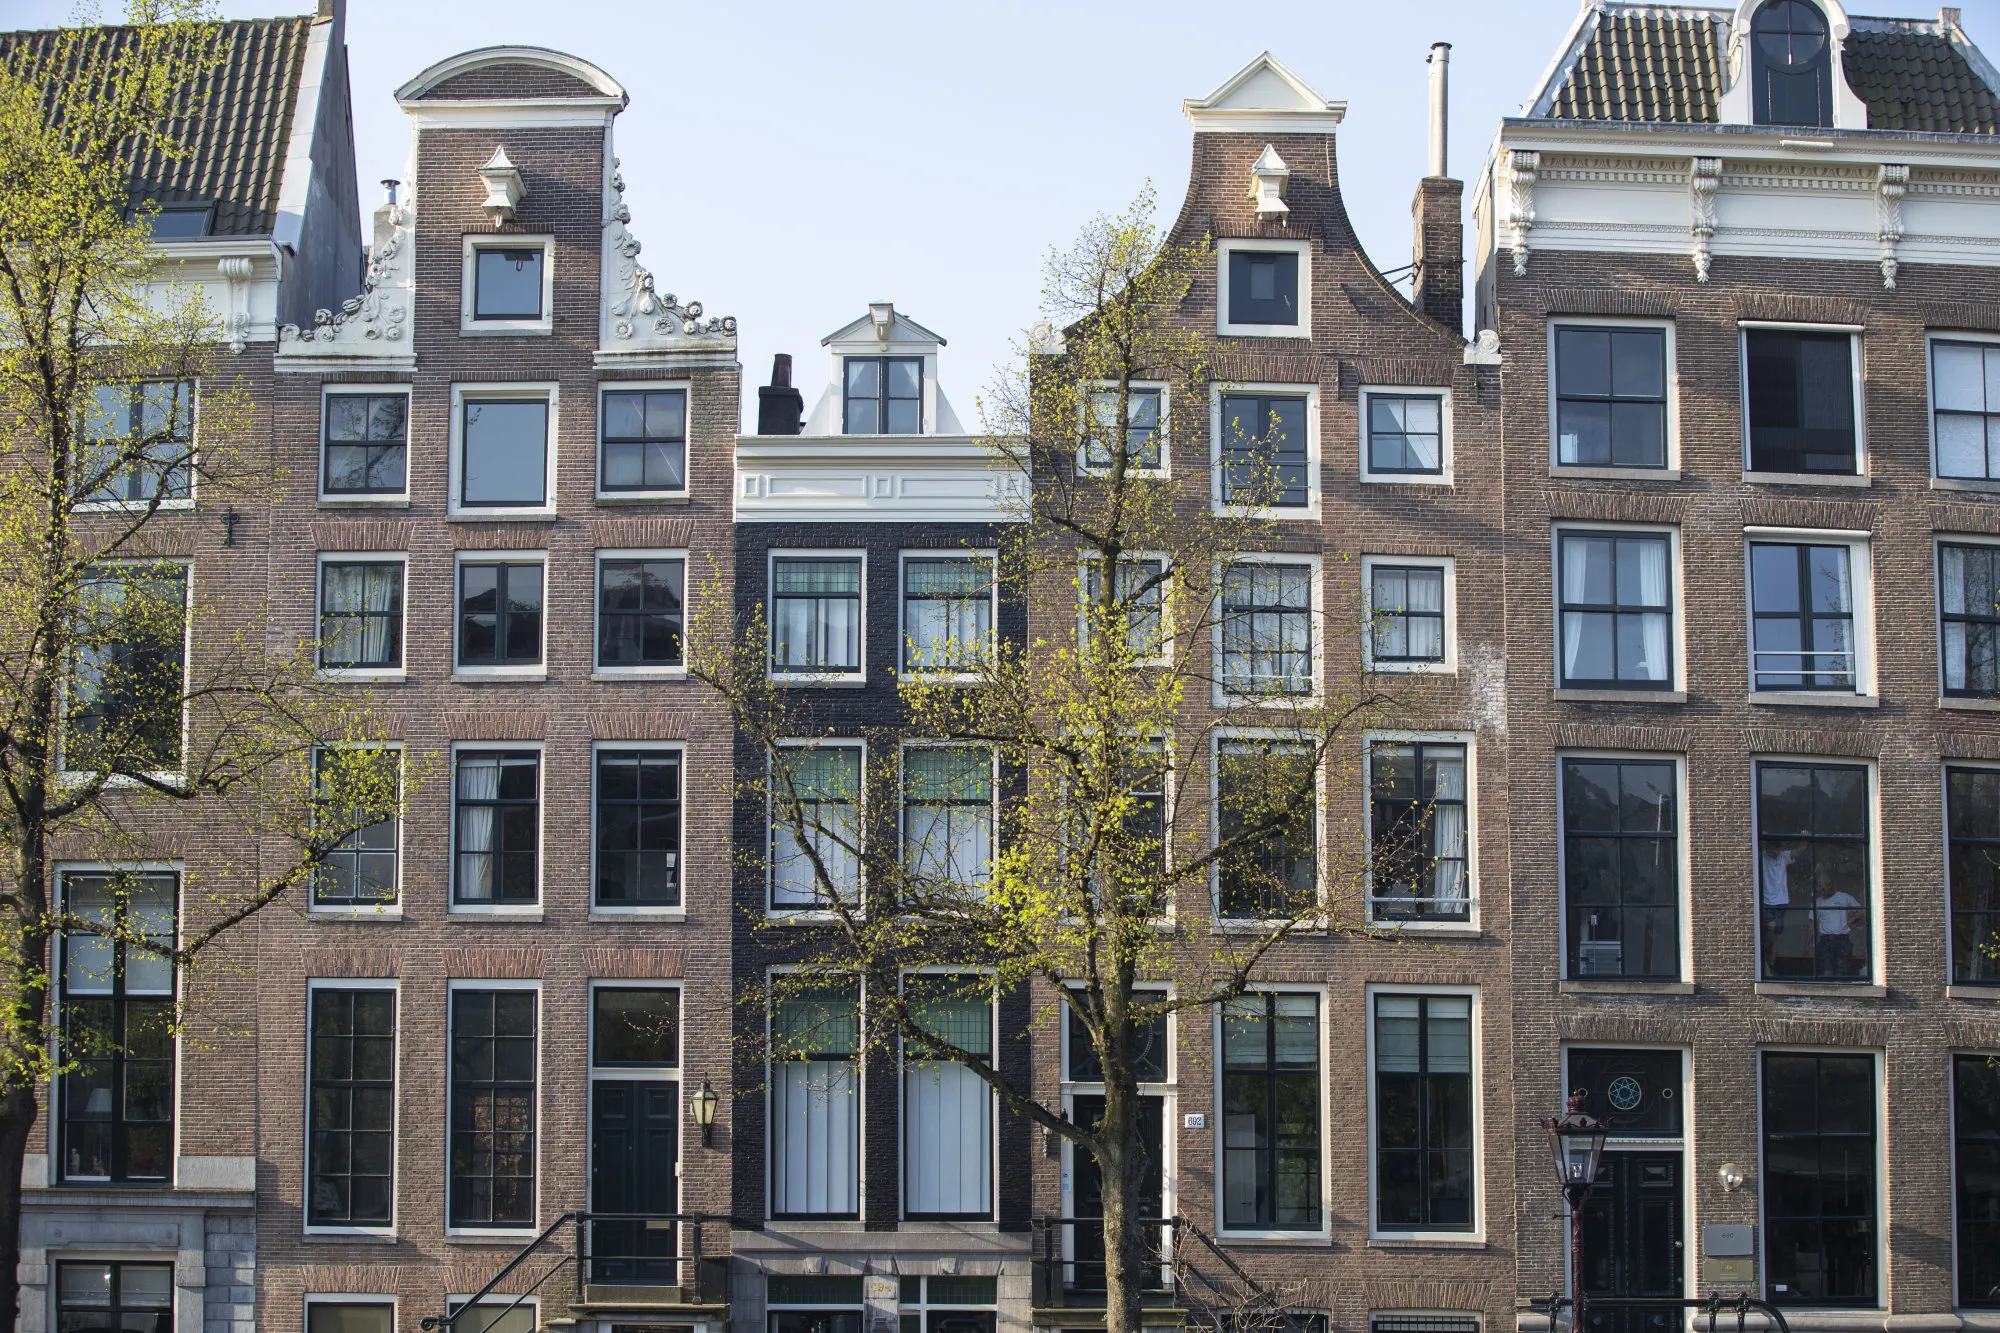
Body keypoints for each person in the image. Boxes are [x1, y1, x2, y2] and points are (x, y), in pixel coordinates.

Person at [1813, 885, 1863, 977]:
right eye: (1819, 889)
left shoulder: (1844, 897)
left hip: (1842, 938)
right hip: (1826, 939)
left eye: (1823, 888)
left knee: (1842, 971)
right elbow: (1811, 923)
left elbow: (1860, 910)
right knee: (1826, 970)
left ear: (1830, 885)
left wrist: (1850, 922)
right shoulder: (1817, 902)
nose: (1821, 891)